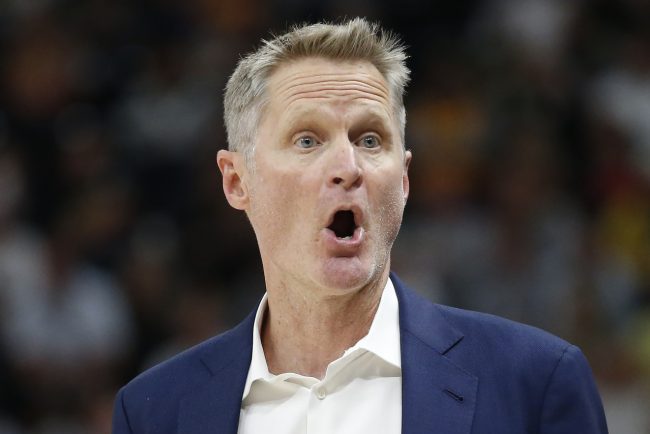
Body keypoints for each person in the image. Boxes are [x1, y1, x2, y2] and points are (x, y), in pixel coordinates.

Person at [112, 18, 608, 433]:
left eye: (370, 140)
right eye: (307, 140)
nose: (347, 166)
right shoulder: (155, 411)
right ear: (238, 181)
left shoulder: (536, 383)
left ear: (404, 179)